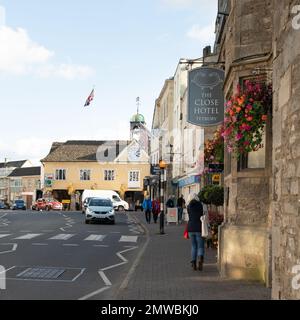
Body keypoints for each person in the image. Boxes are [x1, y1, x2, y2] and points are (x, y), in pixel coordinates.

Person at [187, 193, 205, 271]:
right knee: (200, 246)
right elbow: (202, 214)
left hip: (190, 228)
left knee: (193, 246)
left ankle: (193, 262)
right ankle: (200, 258)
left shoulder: (188, 207)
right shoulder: (200, 205)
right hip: (199, 228)